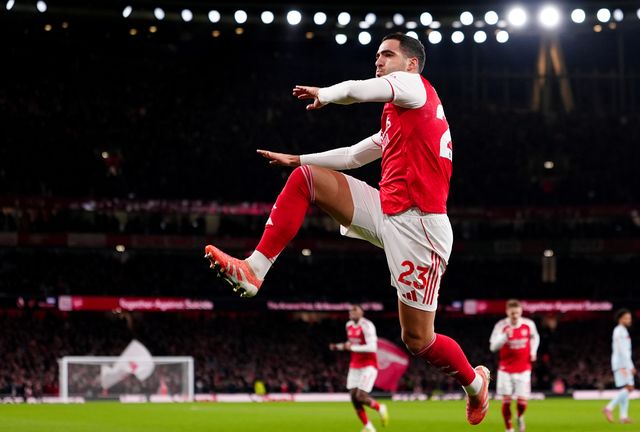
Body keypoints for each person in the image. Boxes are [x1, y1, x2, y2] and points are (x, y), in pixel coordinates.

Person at [204, 32, 490, 424]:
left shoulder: (414, 86)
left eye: (387, 55)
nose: (378, 61)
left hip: (420, 229)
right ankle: (254, 268)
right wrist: (297, 158)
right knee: (306, 179)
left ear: (410, 63)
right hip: (388, 210)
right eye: (376, 55)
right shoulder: (397, 113)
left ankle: (476, 385)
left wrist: (327, 93)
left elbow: (357, 90)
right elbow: (356, 155)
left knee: (418, 339)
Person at [329, 305, 389, 432]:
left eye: (355, 310)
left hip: (368, 365)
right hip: (354, 365)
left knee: (361, 396)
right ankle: (369, 427)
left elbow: (372, 347)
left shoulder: (367, 326)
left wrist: (352, 348)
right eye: (350, 310)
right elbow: (351, 343)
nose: (352, 312)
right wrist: (338, 347)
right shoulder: (348, 325)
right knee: (353, 397)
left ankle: (380, 408)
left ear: (361, 312)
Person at [489, 299, 540, 432]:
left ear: (521, 312)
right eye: (512, 313)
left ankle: (520, 416)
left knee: (522, 403)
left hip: (524, 369)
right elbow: (493, 347)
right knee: (506, 401)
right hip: (505, 369)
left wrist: (533, 351)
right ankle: (509, 429)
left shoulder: (529, 324)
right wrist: (504, 337)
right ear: (507, 312)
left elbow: (535, 337)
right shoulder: (501, 326)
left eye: (517, 313)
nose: (515, 316)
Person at [603, 309, 635, 424]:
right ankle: (609, 408)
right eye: (627, 318)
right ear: (620, 319)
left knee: (626, 389)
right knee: (629, 388)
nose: (629, 320)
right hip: (622, 364)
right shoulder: (619, 331)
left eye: (630, 318)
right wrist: (630, 365)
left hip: (622, 363)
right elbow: (622, 350)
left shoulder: (623, 331)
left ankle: (623, 417)